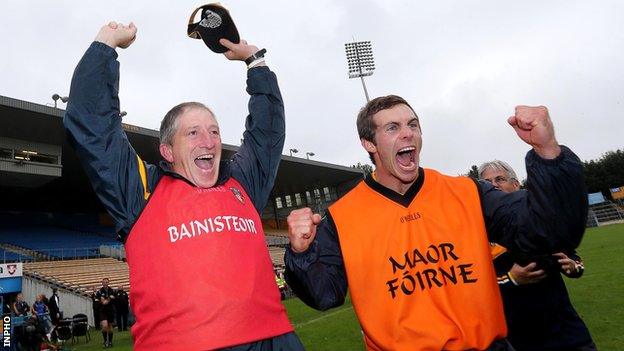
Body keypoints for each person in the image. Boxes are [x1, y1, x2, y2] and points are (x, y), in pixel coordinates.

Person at [64, 22, 302, 350]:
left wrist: (256, 63)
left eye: (215, 131)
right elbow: (92, 125)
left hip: (274, 340)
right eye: (193, 133)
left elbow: (267, 135)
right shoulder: (140, 191)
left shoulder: (241, 183)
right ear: (167, 150)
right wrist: (106, 45)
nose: (208, 141)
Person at [284, 95, 588, 350]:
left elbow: (548, 232)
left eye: (413, 125)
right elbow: (324, 294)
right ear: (369, 144)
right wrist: (301, 254)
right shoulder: (343, 216)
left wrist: (548, 154)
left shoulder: (467, 192)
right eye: (392, 127)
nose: (408, 133)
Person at [478, 160, 596, 351]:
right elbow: (476, 285)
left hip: (566, 332)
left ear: (516, 184)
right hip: (518, 337)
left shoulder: (539, 222)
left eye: (500, 179)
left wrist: (574, 267)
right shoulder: (478, 233)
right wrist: (512, 279)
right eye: (487, 182)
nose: (494, 185)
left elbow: (574, 258)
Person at [96, 278, 116, 348]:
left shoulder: (112, 291)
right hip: (103, 311)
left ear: (108, 283)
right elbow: (97, 300)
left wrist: (110, 299)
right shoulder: (99, 291)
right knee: (104, 326)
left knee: (110, 327)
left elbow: (114, 299)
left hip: (110, 311)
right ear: (102, 283)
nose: (105, 283)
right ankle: (105, 341)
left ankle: (110, 341)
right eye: (104, 282)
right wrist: (102, 301)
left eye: (106, 282)